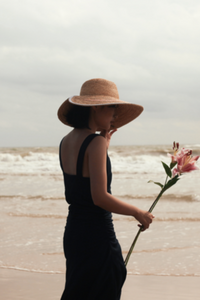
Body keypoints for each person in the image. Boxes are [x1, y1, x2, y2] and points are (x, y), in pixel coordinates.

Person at [57, 78, 154, 300]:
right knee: (109, 282)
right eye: (113, 108)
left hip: (74, 233)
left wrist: (103, 145)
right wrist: (137, 212)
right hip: (97, 234)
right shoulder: (95, 143)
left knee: (79, 290)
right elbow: (99, 197)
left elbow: (81, 182)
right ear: (96, 107)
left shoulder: (66, 141)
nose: (115, 115)